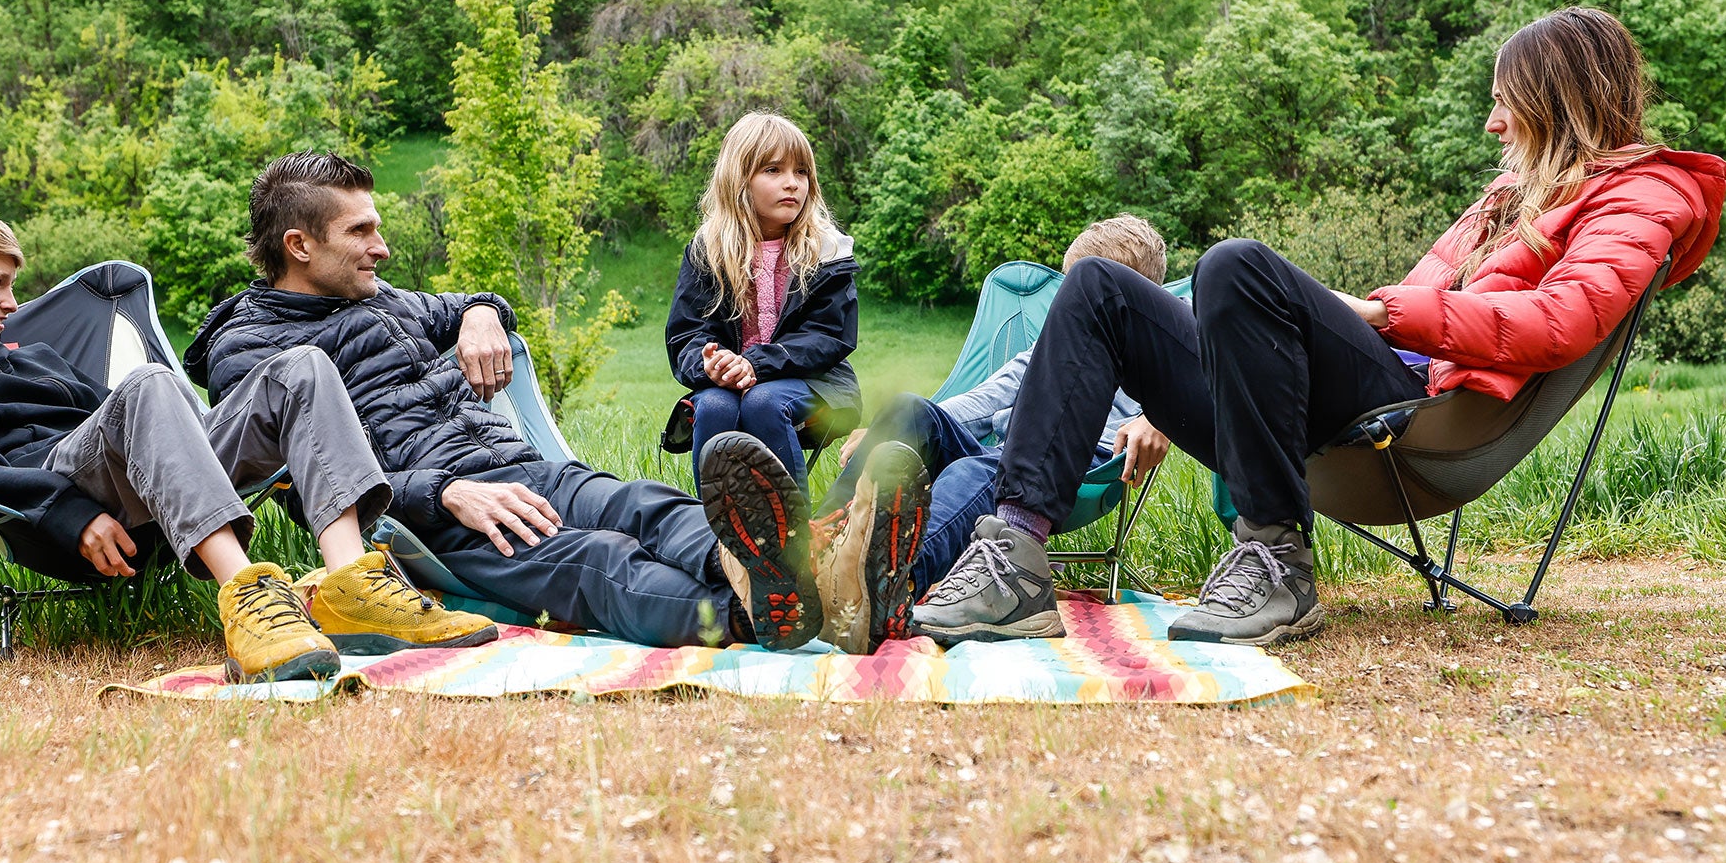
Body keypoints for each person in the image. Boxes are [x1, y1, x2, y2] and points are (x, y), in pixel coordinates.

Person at [914, 8, 1726, 649]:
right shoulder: (1509, 196)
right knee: (1099, 286)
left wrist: (1378, 310)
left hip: (1420, 417)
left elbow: (1559, 320)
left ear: (1556, 98)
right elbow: (1408, 311)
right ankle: (1015, 557)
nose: (1492, 125)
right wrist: (1319, 321)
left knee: (1235, 263)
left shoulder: (1644, 198)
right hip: (1364, 393)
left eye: (1502, 102)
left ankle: (1275, 557)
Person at [189, 153, 916, 654]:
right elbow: (296, 484)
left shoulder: (380, 298)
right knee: (598, 562)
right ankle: (752, 614)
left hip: (515, 462)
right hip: (441, 515)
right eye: (362, 231)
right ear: (299, 246)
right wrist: (447, 495)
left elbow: (478, 304)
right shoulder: (253, 350)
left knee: (644, 505)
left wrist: (481, 312)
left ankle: (794, 576)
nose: (382, 246)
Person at [0, 188, 495, 684]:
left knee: (301, 366)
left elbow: (125, 421)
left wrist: (218, 431)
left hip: (143, 491)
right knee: (152, 384)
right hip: (55, 514)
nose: (12, 302)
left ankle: (350, 582)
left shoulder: (30, 356)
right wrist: (70, 513)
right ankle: (248, 600)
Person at [824, 215, 1174, 643]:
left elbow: (1202, 381)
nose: (1070, 302)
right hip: (1011, 458)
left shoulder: (1156, 347)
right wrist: (887, 427)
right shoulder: (1055, 342)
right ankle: (818, 548)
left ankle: (890, 584)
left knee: (980, 471)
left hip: (1081, 471)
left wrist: (1157, 417)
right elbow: (987, 397)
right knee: (909, 410)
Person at [662, 112, 928, 653]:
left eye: (801, 172)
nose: (792, 183)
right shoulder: (709, 249)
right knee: (712, 408)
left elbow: (831, 337)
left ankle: (795, 559)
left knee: (762, 401)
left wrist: (756, 362)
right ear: (740, 182)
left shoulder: (826, 250)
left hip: (814, 386)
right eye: (774, 170)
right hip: (736, 381)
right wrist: (710, 363)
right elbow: (686, 336)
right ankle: (732, 559)